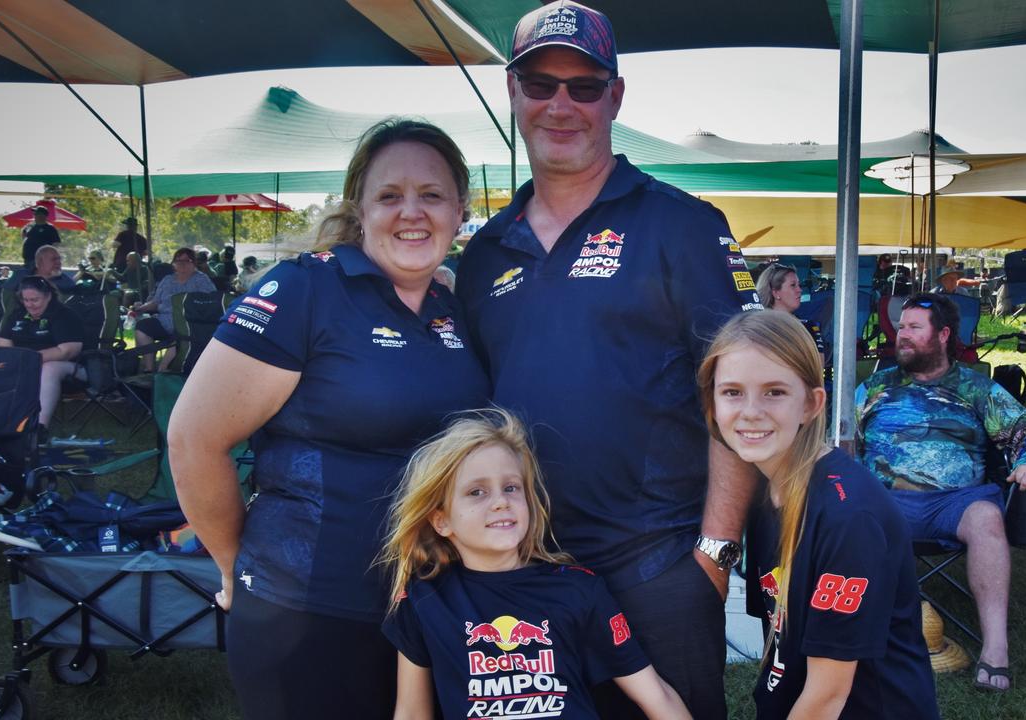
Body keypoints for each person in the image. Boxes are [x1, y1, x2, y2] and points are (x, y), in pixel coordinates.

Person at [454, 4, 761, 715]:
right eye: (540, 83)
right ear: (513, 92)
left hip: (654, 561)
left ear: (615, 97)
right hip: (524, 565)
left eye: (584, 86)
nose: (560, 104)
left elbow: (740, 394)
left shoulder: (681, 225)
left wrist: (714, 553)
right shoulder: (484, 253)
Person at [167, 118, 490, 720]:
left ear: (460, 209)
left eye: (432, 195)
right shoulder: (303, 288)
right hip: (307, 612)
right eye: (390, 196)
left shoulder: (452, 305)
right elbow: (194, 439)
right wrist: (234, 564)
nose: (411, 212)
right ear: (359, 209)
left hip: (430, 605)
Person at [699, 310, 938, 719]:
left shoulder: (848, 519)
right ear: (713, 404)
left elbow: (827, 698)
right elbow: (779, 637)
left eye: (774, 392)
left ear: (812, 404)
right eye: (732, 392)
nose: (751, 411)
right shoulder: (765, 489)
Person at [379, 408, 689, 720]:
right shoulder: (424, 600)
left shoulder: (578, 588)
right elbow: (411, 712)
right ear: (442, 521)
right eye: (477, 492)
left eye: (511, 487)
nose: (501, 501)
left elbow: (657, 696)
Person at [855, 292, 1026, 692]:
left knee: (987, 518)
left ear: (943, 334)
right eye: (901, 327)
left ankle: (996, 651)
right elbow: (838, 439)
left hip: (954, 504)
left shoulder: (975, 387)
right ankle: (847, 641)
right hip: (882, 504)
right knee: (839, 512)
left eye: (913, 328)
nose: (901, 336)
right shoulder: (876, 385)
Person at [0, 275, 83, 430]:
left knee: (48, 368)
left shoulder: (64, 315)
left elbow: (68, 351)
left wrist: (29, 360)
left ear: (48, 296)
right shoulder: (17, 315)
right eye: (26, 300)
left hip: (72, 368)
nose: (30, 305)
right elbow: (2, 346)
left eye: (35, 300)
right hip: (22, 365)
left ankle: (39, 428)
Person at [129, 247, 215, 371]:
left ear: (193, 263)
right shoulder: (167, 280)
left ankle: (162, 372)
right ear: (173, 263)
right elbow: (156, 301)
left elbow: (211, 301)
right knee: (142, 328)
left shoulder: (201, 280)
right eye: (178, 261)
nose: (182, 264)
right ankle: (149, 369)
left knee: (179, 336)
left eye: (186, 261)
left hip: (188, 322)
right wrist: (140, 308)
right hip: (164, 320)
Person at [20, 205, 61, 269]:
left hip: (41, 261)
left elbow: (56, 244)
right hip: (28, 260)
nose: (34, 215)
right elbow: (24, 235)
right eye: (34, 214)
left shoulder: (50, 228)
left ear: (43, 215)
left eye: (36, 213)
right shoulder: (30, 226)